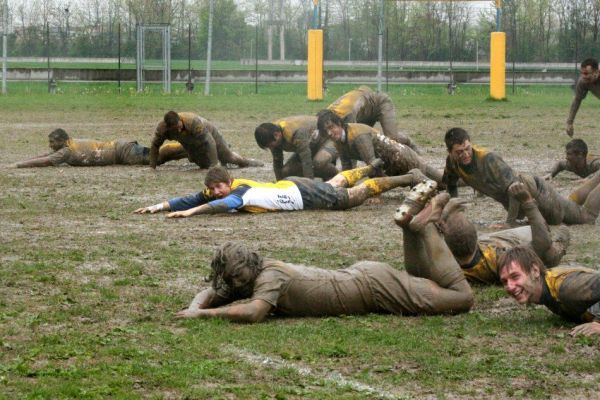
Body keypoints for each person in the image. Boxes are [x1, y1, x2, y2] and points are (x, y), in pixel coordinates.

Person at [174, 185, 473, 323]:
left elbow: (253, 313)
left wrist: (202, 314)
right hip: (364, 278)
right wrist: (194, 305)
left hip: (373, 286)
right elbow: (212, 292)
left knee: (461, 298)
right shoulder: (250, 276)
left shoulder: (270, 275)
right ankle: (412, 229)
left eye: (237, 276)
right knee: (422, 279)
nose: (235, 284)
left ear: (250, 266)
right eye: (231, 279)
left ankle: (427, 227)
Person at [134, 163, 424, 217]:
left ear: (229, 181)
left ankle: (407, 177)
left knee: (352, 196)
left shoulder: (240, 191)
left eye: (219, 187)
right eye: (212, 189)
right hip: (293, 185)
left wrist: (192, 214)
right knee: (335, 181)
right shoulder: (219, 190)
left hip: (301, 195)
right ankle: (371, 166)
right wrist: (160, 207)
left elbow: (219, 205)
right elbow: (193, 198)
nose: (216, 192)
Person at [443, 127, 600, 226]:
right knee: (569, 207)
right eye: (459, 152)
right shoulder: (451, 162)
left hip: (538, 193)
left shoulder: (488, 159)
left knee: (585, 217)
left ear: (470, 144)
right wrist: (454, 212)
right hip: (524, 200)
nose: (465, 154)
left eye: (467, 149)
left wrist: (510, 223)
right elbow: (450, 184)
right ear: (450, 152)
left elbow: (517, 187)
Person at [441, 183, 570, 285]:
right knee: (549, 253)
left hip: (491, 244)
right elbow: (542, 244)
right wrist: (528, 202)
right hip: (519, 242)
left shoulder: (445, 266)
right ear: (475, 239)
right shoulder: (500, 259)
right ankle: (562, 239)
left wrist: (444, 215)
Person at [498, 245, 600, 337]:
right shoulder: (546, 289)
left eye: (515, 276)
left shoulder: (567, 287)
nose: (509, 286)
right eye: (505, 281)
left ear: (535, 270)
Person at [317, 110, 443, 183]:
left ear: (339, 123)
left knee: (443, 183)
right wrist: (345, 185)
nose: (329, 133)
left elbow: (372, 164)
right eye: (325, 131)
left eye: (331, 127)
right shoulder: (339, 140)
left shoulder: (358, 136)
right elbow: (346, 167)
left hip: (405, 160)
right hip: (392, 165)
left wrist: (376, 193)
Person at [14, 128, 187, 168]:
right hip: (121, 149)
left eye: (53, 142)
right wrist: (23, 160)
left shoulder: (67, 151)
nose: (50, 145)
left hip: (122, 152)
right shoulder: (68, 147)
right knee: (157, 156)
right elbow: (46, 155)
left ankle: (186, 147)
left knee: (158, 157)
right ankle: (187, 150)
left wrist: (18, 165)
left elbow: (46, 160)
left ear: (62, 141)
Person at [149, 111, 263, 169]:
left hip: (210, 135)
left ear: (180, 120)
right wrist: (152, 167)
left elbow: (210, 142)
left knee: (227, 157)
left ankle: (247, 162)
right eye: (174, 129)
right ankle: (217, 163)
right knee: (202, 165)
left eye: (178, 127)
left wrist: (214, 167)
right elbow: (154, 146)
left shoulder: (193, 122)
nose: (178, 130)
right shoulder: (162, 129)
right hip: (190, 143)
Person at [323, 85, 420, 152]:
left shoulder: (347, 115)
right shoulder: (326, 117)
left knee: (391, 141)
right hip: (363, 113)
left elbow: (351, 141)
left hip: (379, 103)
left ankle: (408, 142)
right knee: (369, 140)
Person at [254, 115, 338, 180]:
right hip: (312, 144)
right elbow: (277, 163)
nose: (271, 148)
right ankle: (325, 176)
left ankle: (337, 175)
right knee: (286, 171)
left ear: (277, 135)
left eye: (271, 145)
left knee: (318, 162)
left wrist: (309, 185)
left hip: (329, 139)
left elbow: (306, 160)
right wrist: (279, 185)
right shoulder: (272, 135)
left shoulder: (297, 132)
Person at [566, 58, 600, 137]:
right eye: (582, 73)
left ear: (597, 72)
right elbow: (577, 101)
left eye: (586, 73)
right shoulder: (583, 82)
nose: (584, 77)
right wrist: (569, 122)